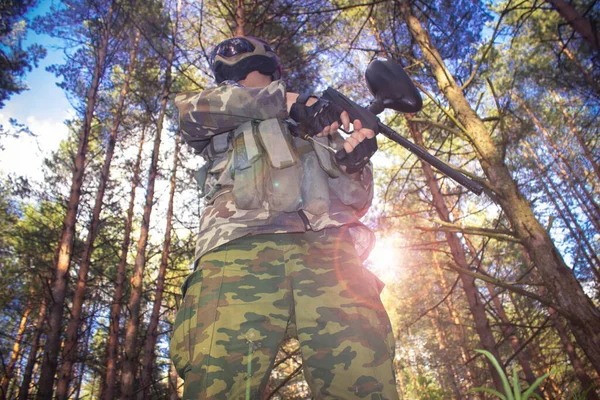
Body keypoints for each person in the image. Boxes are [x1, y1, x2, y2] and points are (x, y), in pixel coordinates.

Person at [171, 36, 399, 400]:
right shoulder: (218, 110)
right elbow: (187, 112)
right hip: (239, 249)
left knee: (363, 382)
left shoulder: (317, 124)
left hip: (331, 254)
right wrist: (288, 102)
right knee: (220, 383)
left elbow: (356, 200)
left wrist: (354, 162)